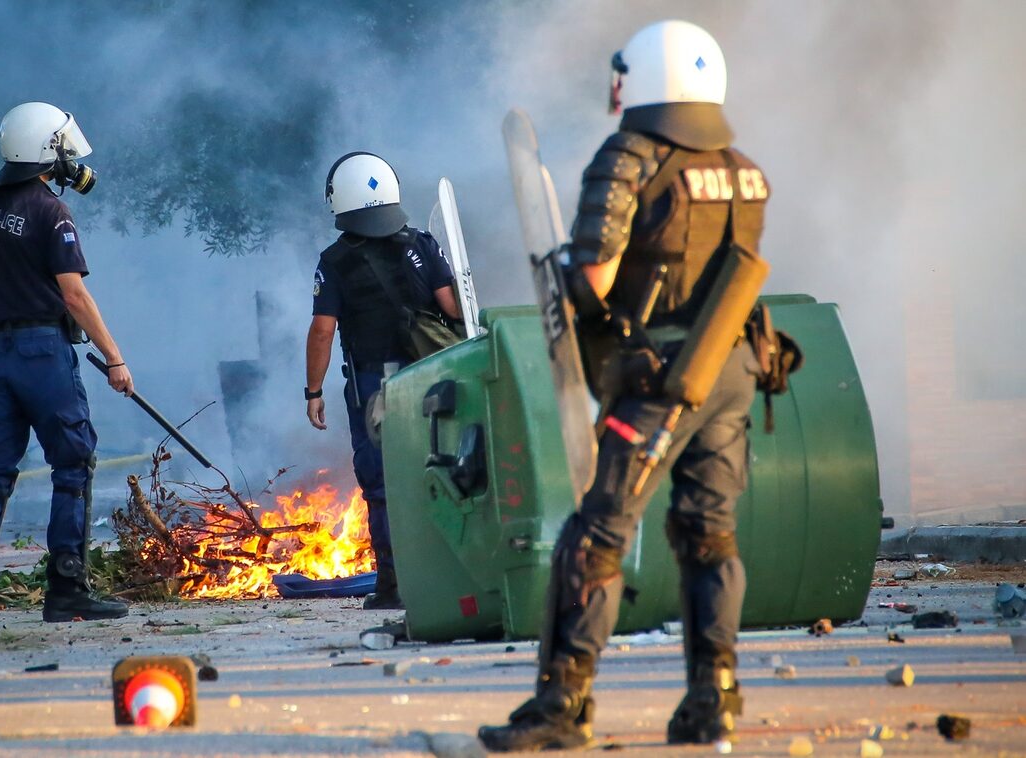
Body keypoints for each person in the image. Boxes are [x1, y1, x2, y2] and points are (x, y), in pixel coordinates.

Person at [479, 20, 770, 750]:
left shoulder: (630, 157)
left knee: (596, 534)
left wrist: (576, 299)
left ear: (643, 77)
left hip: (661, 377)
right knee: (710, 536)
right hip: (733, 370)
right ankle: (715, 700)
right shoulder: (740, 167)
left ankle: (562, 707)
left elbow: (597, 277)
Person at [0, 102, 133, 628]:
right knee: (72, 465)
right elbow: (74, 296)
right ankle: (67, 588)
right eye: (64, 148)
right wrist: (114, 357)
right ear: (48, 150)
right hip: (42, 354)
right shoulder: (52, 212)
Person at [304, 152, 462, 610]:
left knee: (382, 482)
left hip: (376, 388)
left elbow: (322, 330)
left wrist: (313, 391)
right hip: (431, 378)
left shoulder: (334, 261)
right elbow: (455, 308)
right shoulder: (423, 244)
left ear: (339, 199)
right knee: (440, 467)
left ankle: (393, 584)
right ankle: (448, 572)